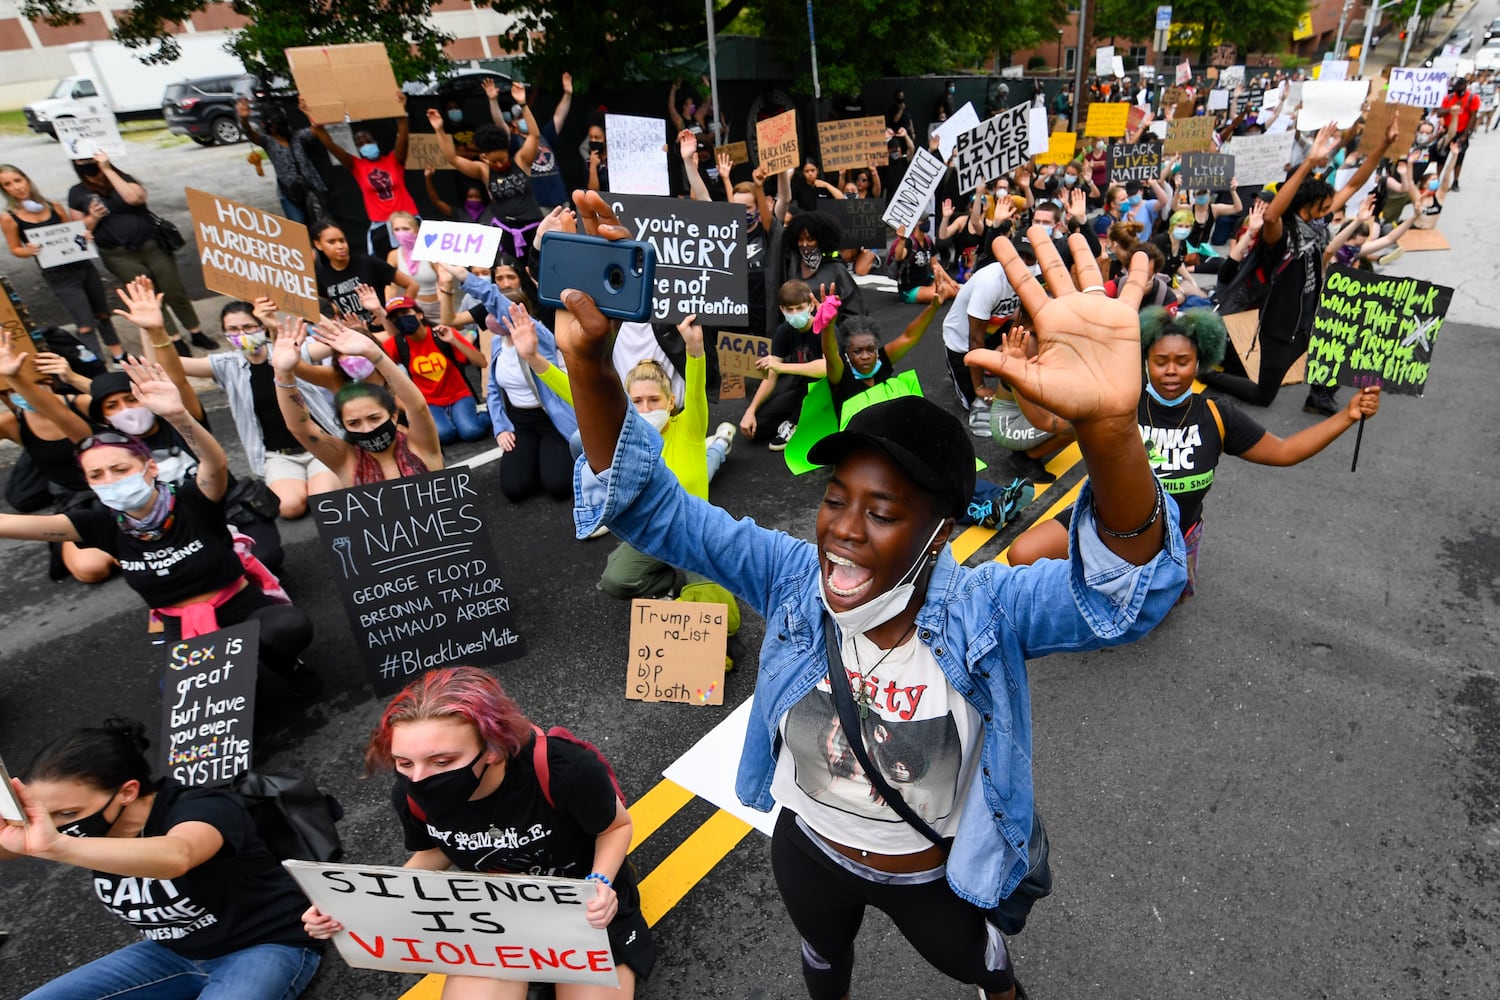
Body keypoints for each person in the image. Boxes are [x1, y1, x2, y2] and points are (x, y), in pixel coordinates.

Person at [557, 194, 1186, 1000]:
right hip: (809, 854)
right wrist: (588, 365)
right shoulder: (790, 577)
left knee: (987, 973)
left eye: (882, 512)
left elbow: (1126, 592)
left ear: (940, 530)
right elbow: (655, 509)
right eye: (834, 498)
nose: (842, 531)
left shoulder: (985, 609)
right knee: (824, 965)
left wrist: (1109, 433)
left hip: (928, 878)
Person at [302, 666, 655, 998]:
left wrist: (600, 882)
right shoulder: (411, 792)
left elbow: (616, 827)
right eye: (404, 763)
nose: (419, 779)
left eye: (442, 762)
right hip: (496, 915)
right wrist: (356, 904)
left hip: (585, 913)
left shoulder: (564, 770)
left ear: (493, 749)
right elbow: (437, 850)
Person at [1007, 307, 1381, 597]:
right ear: (1145, 361)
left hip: (1174, 538)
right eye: (1160, 361)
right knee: (1022, 555)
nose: (1171, 371)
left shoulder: (1218, 415)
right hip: (1105, 525)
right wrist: (1019, 375)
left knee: (1165, 604)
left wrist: (1347, 416)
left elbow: (1284, 451)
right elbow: (1045, 421)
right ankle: (1090, 578)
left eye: (1182, 362)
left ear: (1199, 362)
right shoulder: (1118, 405)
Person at [0, 359, 318, 687]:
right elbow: (11, 525)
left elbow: (215, 463)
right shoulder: (98, 523)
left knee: (287, 628)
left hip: (238, 604)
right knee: (177, 692)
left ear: (150, 468)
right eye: (97, 475)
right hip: (180, 623)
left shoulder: (193, 501)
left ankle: (285, 663)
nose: (110, 480)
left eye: (120, 469)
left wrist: (178, 415)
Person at [1, 719, 322, 999]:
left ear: (127, 792)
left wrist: (57, 845)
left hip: (265, 945)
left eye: (69, 813)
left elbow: (177, 855)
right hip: (172, 953)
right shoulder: (84, 828)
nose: (57, 824)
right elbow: (11, 844)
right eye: (47, 814)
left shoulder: (203, 807)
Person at [1202, 119, 1396, 414]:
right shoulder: (1281, 236)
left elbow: (1355, 184)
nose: (1331, 211)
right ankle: (1207, 375)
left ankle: (1320, 395)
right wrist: (1308, 162)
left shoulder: (1316, 226)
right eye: (1324, 207)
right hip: (1279, 329)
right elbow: (1270, 217)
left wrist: (1385, 144)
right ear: (1305, 210)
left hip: (1308, 319)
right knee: (1263, 395)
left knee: (1343, 335)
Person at [113, 280, 341, 519]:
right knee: (289, 508)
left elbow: (338, 338)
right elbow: (162, 367)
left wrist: (301, 307)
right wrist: (151, 330)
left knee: (323, 500)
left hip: (318, 444)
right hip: (279, 455)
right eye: (232, 329)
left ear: (262, 327)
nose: (241, 334)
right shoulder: (227, 365)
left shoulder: (291, 349)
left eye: (248, 326)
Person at [598, 312, 737, 603]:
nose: (646, 408)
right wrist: (537, 360)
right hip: (655, 530)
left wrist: (695, 351)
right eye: (637, 401)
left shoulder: (689, 425)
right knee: (615, 580)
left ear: (671, 401)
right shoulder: (627, 435)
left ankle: (719, 445)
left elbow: (697, 390)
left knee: (721, 613)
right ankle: (665, 581)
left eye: (654, 400)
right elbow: (582, 398)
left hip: (694, 532)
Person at [66, 148, 212, 355]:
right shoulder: (77, 192)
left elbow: (134, 199)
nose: (87, 163)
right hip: (118, 254)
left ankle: (195, 330)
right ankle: (174, 338)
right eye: (81, 161)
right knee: (149, 296)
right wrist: (93, 217)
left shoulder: (122, 178)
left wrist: (107, 169)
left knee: (173, 289)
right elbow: (80, 230)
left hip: (151, 245)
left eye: (90, 159)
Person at [272, 317, 443, 487]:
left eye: (374, 418)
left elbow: (417, 407)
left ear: (394, 415)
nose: (367, 429)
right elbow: (301, 429)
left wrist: (374, 353)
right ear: (344, 426)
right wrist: (283, 373)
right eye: (354, 423)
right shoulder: (347, 462)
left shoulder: (421, 447)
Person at [0, 335, 117, 582]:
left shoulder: (81, 404)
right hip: (75, 500)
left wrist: (73, 377)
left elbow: (121, 398)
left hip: (116, 484)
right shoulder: (12, 423)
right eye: (12, 389)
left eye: (33, 384)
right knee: (91, 569)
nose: (24, 394)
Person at [1, 163, 123, 364]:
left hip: (82, 267)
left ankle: (119, 355)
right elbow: (15, 249)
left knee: (102, 313)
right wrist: (28, 250)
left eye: (18, 180)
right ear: (4, 190)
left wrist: (83, 235)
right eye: (8, 184)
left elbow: (71, 233)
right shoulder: (9, 218)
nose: (16, 187)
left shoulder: (54, 206)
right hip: (58, 276)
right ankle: (97, 363)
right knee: (84, 323)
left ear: (26, 180)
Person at [428, 84, 545, 263]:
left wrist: (523, 104)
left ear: (507, 151)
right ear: (484, 157)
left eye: (502, 159)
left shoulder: (521, 160)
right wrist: (439, 130)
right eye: (493, 161)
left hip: (534, 227)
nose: (498, 164)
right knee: (513, 271)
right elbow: (453, 159)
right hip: (505, 231)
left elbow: (534, 136)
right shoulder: (483, 170)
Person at [304, 92, 417, 257]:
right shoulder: (357, 165)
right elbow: (332, 147)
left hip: (407, 218)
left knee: (419, 261)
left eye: (368, 141)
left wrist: (401, 112)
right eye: (361, 144)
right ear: (358, 149)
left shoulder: (394, 160)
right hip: (381, 224)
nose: (366, 145)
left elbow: (403, 138)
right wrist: (313, 118)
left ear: (376, 142)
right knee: (388, 265)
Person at [379, 296, 493, 445]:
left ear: (419, 314)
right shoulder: (397, 343)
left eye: (405, 313)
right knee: (444, 435)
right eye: (395, 318)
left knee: (471, 431)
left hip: (459, 395)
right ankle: (453, 420)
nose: (401, 319)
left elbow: (482, 362)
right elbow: (379, 371)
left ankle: (488, 413)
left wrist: (454, 341)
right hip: (429, 402)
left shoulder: (442, 334)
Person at [740, 279, 827, 450]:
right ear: (782, 310)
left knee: (812, 385)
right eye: (790, 310)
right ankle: (800, 419)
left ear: (810, 306)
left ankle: (797, 422)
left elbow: (827, 368)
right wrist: (750, 411)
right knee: (758, 428)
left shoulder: (824, 329)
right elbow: (770, 376)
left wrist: (782, 367)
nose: (795, 314)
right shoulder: (784, 331)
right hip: (799, 387)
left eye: (800, 308)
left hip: (825, 389)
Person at [311, 221, 417, 331]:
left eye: (342, 241)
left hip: (386, 331)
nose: (340, 246)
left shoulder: (367, 263)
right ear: (318, 244)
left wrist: (395, 313)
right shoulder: (322, 275)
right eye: (331, 242)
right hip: (356, 336)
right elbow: (328, 307)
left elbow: (412, 285)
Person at [235, 97, 325, 224]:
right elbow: (250, 133)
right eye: (271, 125)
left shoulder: (298, 137)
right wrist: (244, 119)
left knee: (321, 224)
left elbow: (317, 129)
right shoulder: (268, 141)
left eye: (276, 125)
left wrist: (307, 112)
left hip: (310, 187)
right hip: (288, 192)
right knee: (297, 225)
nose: (273, 128)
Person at [385, 210, 441, 316]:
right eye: (397, 229)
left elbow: (444, 282)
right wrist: (389, 307)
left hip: (437, 308)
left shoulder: (431, 252)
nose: (401, 233)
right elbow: (390, 286)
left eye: (405, 229)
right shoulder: (393, 255)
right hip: (412, 309)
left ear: (416, 230)